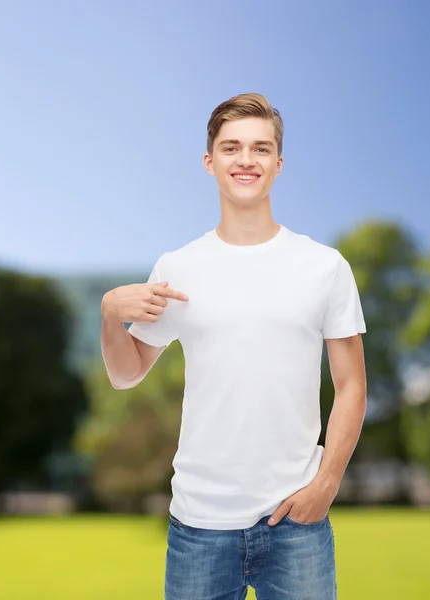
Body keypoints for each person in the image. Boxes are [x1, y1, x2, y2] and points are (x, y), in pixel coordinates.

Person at [101, 92, 367, 599]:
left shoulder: (325, 267)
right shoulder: (178, 267)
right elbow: (125, 373)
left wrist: (327, 484)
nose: (246, 160)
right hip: (199, 524)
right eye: (232, 148)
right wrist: (110, 316)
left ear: (279, 163)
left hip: (297, 524)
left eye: (261, 149)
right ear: (210, 162)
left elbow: (352, 384)